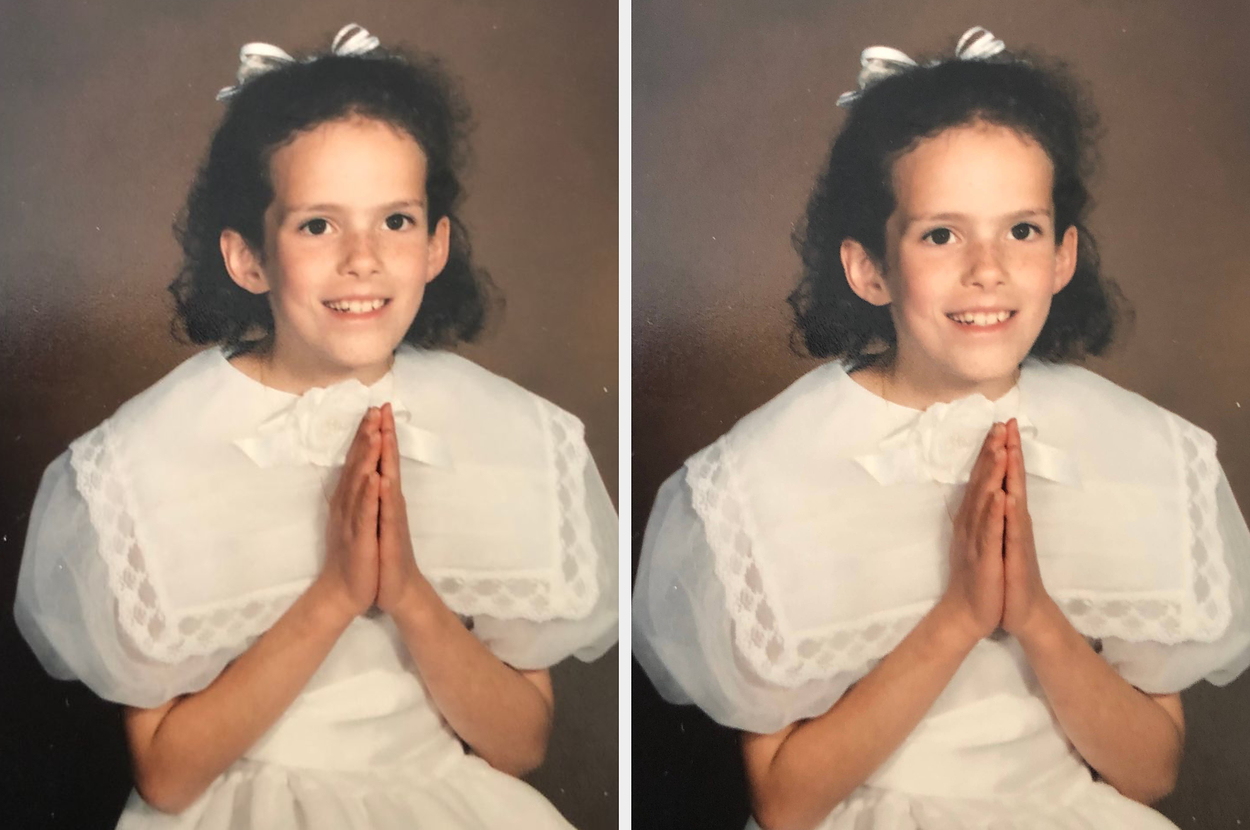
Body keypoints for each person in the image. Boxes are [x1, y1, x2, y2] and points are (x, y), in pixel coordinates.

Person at [633, 26, 1250, 830]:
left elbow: (1149, 773)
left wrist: (1031, 612)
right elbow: (784, 804)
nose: (987, 269)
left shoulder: (1141, 450)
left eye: (1021, 230)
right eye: (941, 233)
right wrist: (960, 615)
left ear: (1063, 255)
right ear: (868, 268)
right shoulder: (763, 472)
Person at [14, 24, 616, 830]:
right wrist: (336, 594)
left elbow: (520, 745)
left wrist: (405, 594)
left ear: (436, 245)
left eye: (396, 221)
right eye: (317, 225)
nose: (362, 258)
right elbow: (165, 775)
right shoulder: (152, 454)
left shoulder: (505, 430)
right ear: (248, 258)